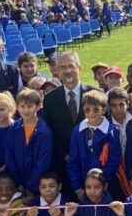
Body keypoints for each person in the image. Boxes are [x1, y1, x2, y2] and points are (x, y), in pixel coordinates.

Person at [41, 51, 100, 189]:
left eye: (71, 66)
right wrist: (65, 155)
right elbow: (50, 133)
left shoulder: (96, 94)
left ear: (79, 68)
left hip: (94, 165)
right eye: (62, 67)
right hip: (65, 166)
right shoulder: (50, 99)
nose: (67, 71)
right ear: (57, 71)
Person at [67, 90, 123, 200]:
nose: (91, 113)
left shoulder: (111, 131)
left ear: (104, 110)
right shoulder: (77, 131)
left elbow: (114, 159)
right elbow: (73, 160)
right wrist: (77, 186)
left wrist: (103, 181)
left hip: (106, 186)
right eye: (87, 110)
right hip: (84, 186)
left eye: (96, 109)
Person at [0, 89, 53, 195]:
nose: (26, 110)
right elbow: (9, 157)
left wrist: (31, 186)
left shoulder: (44, 131)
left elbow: (43, 162)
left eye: (30, 106)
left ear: (38, 106)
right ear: (17, 107)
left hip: (37, 186)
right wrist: (18, 183)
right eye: (22, 106)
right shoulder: (13, 128)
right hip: (17, 185)